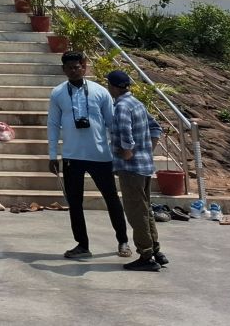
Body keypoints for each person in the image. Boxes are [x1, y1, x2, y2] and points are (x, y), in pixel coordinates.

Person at [47, 52, 131, 260]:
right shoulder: (57, 93)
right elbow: (53, 125)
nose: (74, 70)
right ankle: (82, 244)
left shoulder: (100, 92)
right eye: (70, 67)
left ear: (84, 67)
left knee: (111, 199)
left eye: (78, 66)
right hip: (71, 156)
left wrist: (119, 149)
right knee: (75, 203)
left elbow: (112, 123)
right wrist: (52, 154)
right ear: (63, 69)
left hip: (100, 155)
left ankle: (123, 240)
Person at [106, 70, 167, 271]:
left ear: (113, 87)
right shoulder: (137, 103)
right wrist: (147, 149)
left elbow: (125, 133)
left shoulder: (122, 107)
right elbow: (156, 127)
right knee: (145, 209)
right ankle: (155, 250)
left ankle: (146, 255)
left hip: (131, 169)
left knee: (135, 212)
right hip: (145, 166)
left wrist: (128, 152)